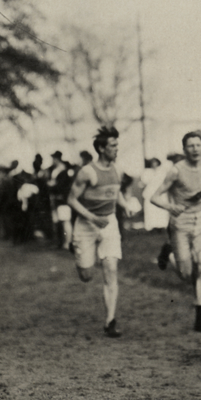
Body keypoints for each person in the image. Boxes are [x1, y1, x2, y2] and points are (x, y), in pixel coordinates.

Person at [151, 131, 201, 332]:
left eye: (198, 145)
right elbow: (154, 197)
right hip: (181, 223)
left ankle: (200, 316)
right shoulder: (176, 171)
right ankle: (169, 252)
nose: (195, 149)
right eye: (190, 146)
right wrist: (170, 207)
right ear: (184, 149)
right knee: (186, 274)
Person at [67, 126, 135, 338]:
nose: (117, 149)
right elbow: (71, 200)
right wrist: (92, 218)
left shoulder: (119, 169)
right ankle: (78, 250)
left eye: (117, 145)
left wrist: (125, 205)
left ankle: (110, 321)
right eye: (113, 146)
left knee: (111, 269)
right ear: (101, 148)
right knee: (86, 275)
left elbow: (116, 193)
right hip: (87, 225)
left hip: (109, 223)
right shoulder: (87, 172)